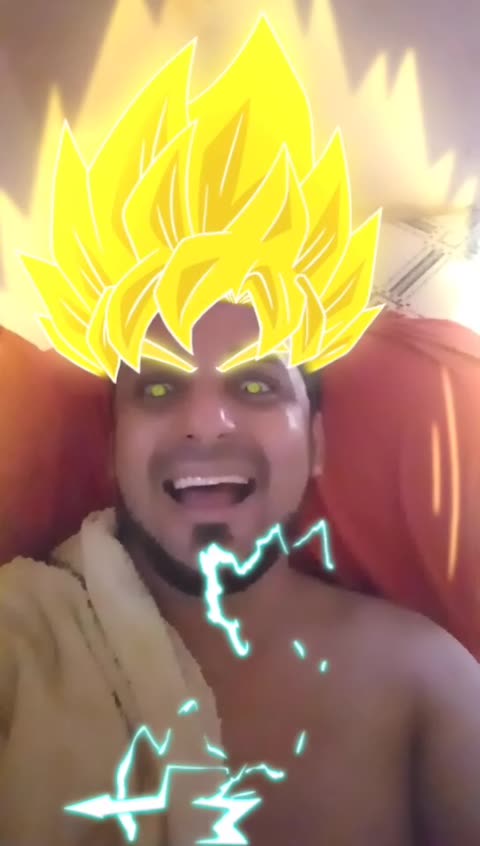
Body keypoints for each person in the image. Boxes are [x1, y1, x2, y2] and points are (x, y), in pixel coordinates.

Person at [2, 18, 480, 845]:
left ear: (317, 442)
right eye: (158, 387)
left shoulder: (422, 682)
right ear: (111, 444)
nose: (205, 421)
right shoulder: (22, 644)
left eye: (256, 384)